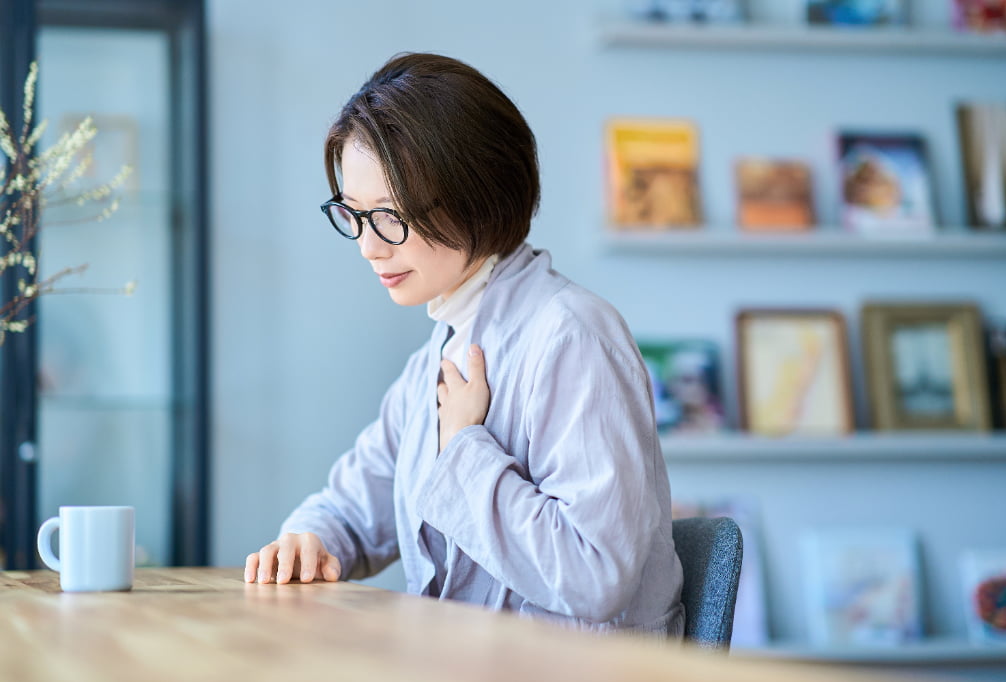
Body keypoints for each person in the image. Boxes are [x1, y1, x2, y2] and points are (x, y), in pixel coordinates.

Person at [244, 52, 684, 635]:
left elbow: (594, 575)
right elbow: (354, 507)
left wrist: (465, 449)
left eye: (389, 216)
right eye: (353, 215)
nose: (368, 247)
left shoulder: (571, 335)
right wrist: (309, 538)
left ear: (475, 194)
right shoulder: (437, 356)